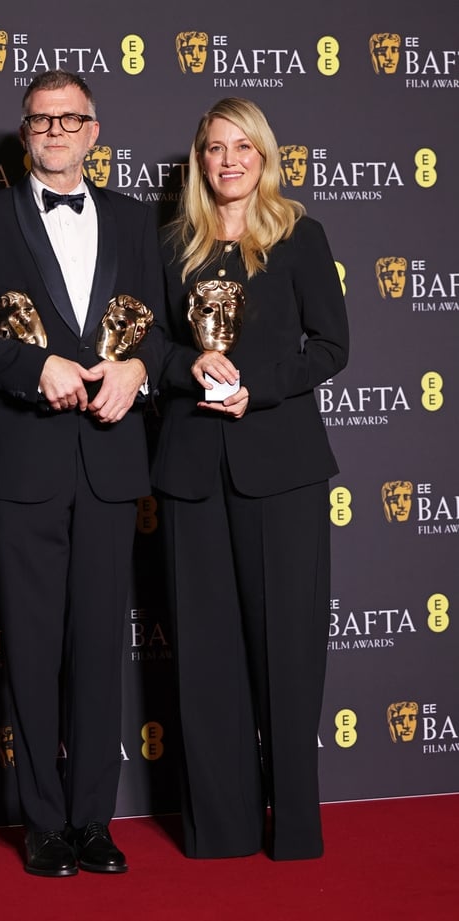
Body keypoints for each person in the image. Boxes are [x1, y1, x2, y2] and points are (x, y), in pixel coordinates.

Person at [0, 69, 166, 877]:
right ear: (24, 133)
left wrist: (137, 371)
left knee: (100, 650)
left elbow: (165, 337)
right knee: (32, 654)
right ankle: (42, 822)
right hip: (23, 466)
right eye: (42, 120)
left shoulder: (137, 222)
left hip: (109, 466)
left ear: (94, 131)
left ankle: (92, 822)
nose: (56, 132)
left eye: (71, 119)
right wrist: (34, 365)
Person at [152, 97, 349, 861]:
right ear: (199, 160)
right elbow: (153, 348)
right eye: (212, 147)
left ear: (265, 155)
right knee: (204, 655)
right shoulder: (171, 244)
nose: (227, 160)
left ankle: (295, 827)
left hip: (283, 469)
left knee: (289, 649)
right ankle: (220, 830)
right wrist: (188, 364)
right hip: (192, 467)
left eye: (242, 146)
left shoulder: (301, 237)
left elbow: (332, 347)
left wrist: (254, 388)